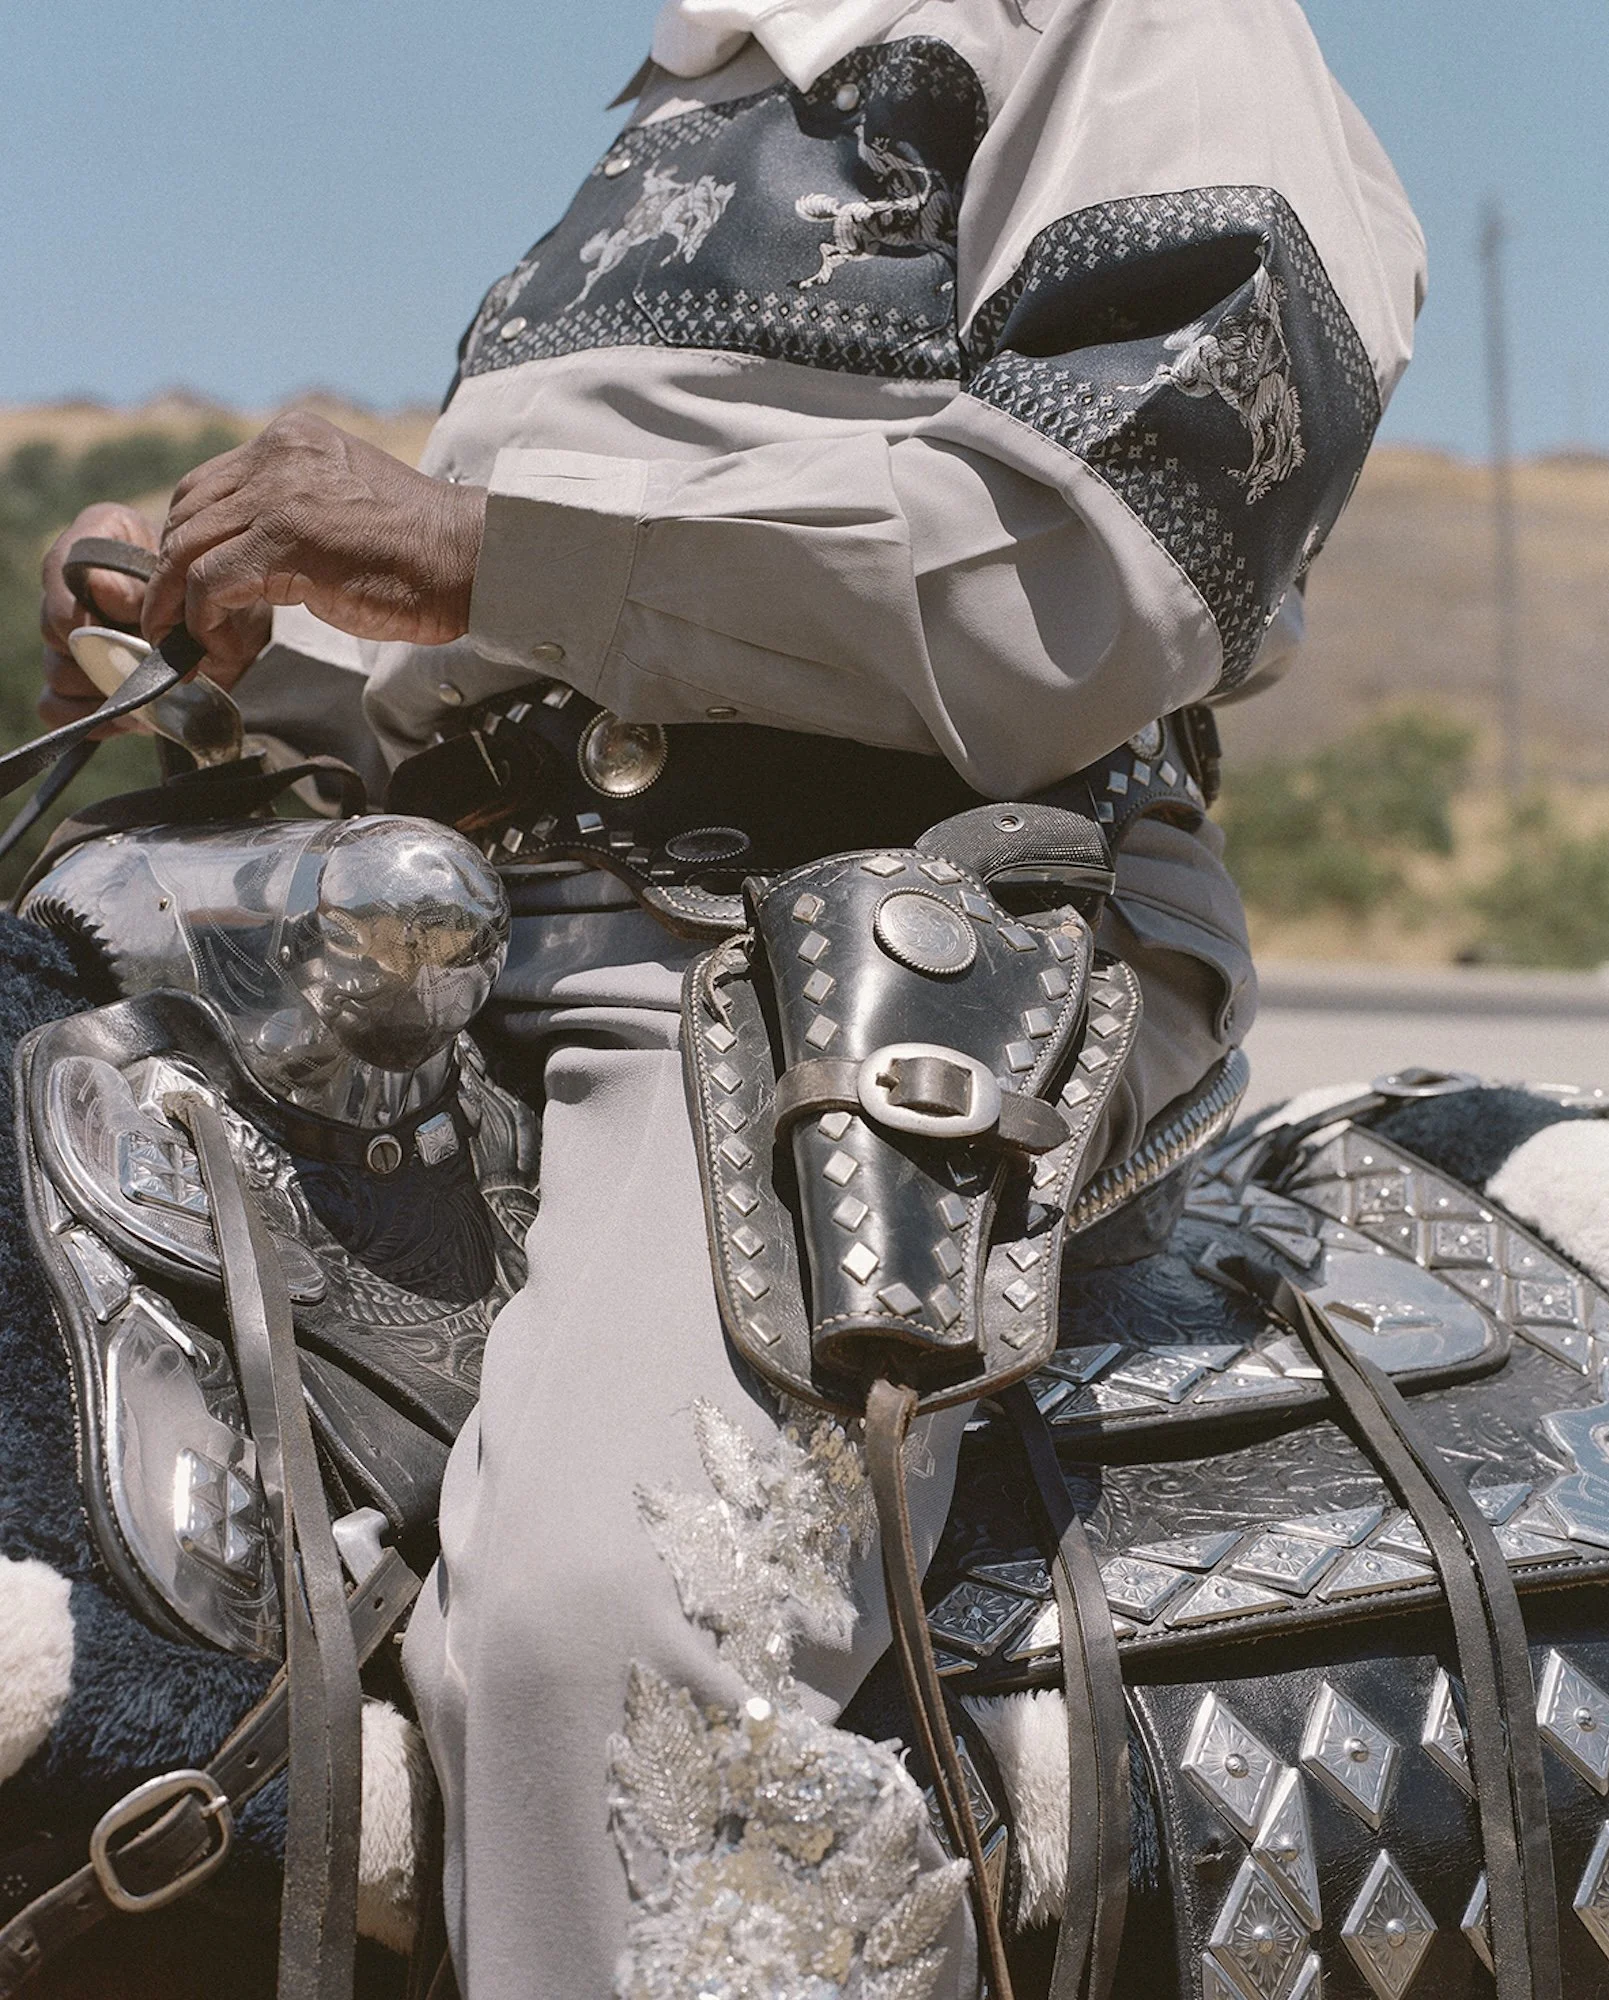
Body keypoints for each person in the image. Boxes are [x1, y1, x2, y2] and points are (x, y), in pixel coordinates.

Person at [38, 0, 1424, 1992]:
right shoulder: (695, 98)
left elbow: (1095, 574)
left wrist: (459, 540)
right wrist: (270, 652)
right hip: (490, 924)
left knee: (604, 1625)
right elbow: (570, 668)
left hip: (885, 911)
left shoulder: (1143, 20)